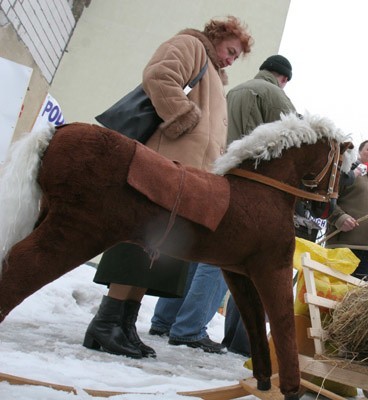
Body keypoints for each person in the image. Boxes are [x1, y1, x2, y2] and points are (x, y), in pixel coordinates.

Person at [84, 16, 253, 359]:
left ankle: (123, 324)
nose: (231, 59)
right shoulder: (191, 45)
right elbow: (159, 75)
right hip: (162, 165)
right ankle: (105, 324)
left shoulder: (215, 74)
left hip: (182, 176)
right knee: (139, 244)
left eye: (237, 56)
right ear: (217, 37)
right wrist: (183, 117)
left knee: (156, 252)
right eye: (230, 50)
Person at [220, 54, 297, 356]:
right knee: (257, 273)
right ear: (283, 78)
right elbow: (292, 141)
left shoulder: (235, 90)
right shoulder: (276, 96)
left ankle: (179, 324)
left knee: (214, 263)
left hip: (224, 177)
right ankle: (242, 344)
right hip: (254, 188)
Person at [325, 139, 368, 281]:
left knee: (361, 301)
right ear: (359, 153)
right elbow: (326, 199)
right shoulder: (346, 176)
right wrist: (339, 218)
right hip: (342, 247)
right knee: (333, 295)